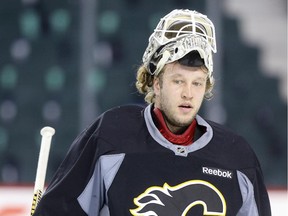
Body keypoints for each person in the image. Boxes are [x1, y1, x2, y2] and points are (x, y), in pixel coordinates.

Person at [33, 9, 271, 216]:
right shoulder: (112, 135)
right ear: (156, 84)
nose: (188, 93)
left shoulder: (237, 157)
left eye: (197, 83)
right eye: (178, 81)